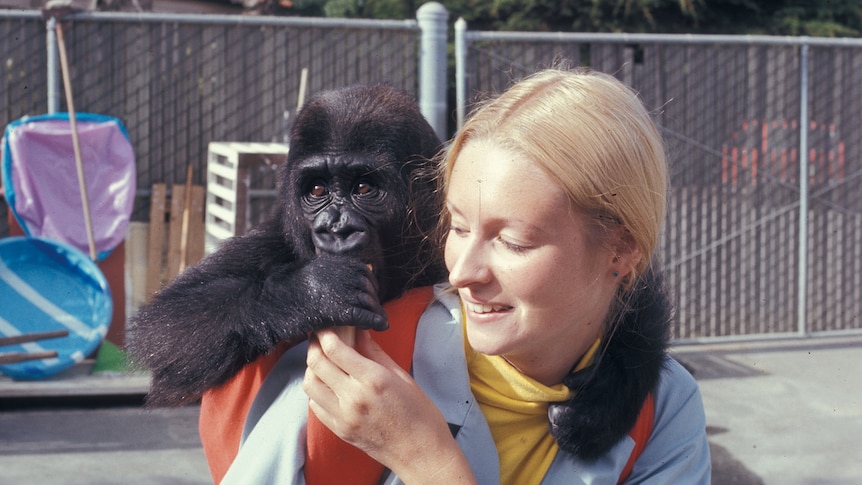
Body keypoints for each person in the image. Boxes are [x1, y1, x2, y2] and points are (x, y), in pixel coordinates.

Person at [219, 68, 711, 484]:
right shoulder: (354, 368)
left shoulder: (664, 407)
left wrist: (425, 459)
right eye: (456, 226)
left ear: (622, 250)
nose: (460, 271)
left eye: (513, 242)